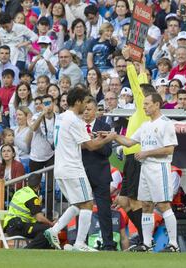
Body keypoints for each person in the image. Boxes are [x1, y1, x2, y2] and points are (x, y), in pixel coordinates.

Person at [44, 88, 115, 251]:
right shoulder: (75, 120)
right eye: (84, 102)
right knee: (88, 203)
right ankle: (80, 243)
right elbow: (90, 146)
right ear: (77, 102)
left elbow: (80, 142)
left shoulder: (61, 117)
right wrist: (108, 138)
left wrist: (92, 138)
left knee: (78, 204)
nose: (85, 105)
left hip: (60, 168)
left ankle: (54, 230)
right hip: (73, 168)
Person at [110, 93, 179, 252]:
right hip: (146, 169)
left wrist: (146, 153)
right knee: (146, 205)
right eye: (144, 104)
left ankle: (174, 244)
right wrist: (113, 136)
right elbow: (129, 142)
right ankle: (147, 243)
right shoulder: (145, 125)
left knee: (163, 204)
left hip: (159, 168)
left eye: (147, 104)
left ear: (157, 104)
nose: (144, 107)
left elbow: (169, 149)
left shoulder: (166, 124)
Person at [82, 98, 116, 250]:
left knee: (104, 211)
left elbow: (108, 151)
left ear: (96, 110)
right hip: (81, 173)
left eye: (89, 109)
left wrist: (95, 143)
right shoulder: (77, 126)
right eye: (84, 109)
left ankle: (109, 244)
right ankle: (80, 242)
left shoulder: (105, 126)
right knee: (82, 209)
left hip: (100, 175)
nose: (86, 112)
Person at [3, 173, 54, 249]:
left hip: (11, 225)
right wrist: (51, 223)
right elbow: (39, 218)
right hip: (18, 227)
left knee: (44, 231)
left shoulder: (20, 191)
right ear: (39, 185)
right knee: (48, 230)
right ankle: (27, 250)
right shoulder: (31, 197)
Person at [28, 95, 56, 220]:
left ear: (54, 103)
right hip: (36, 156)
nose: (47, 105)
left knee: (50, 187)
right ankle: (34, 214)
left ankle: (49, 216)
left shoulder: (58, 118)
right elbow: (33, 128)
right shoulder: (36, 116)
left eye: (49, 102)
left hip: (51, 155)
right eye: (45, 103)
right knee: (33, 186)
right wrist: (42, 114)